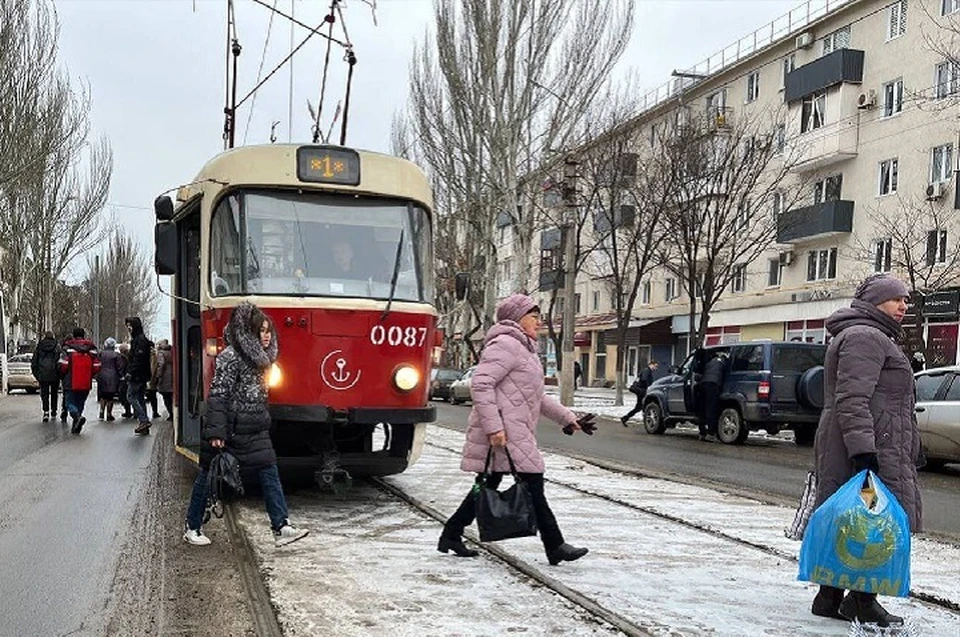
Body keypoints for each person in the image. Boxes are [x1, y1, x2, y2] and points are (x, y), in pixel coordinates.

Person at [437, 293, 596, 565]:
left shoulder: (525, 350)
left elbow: (537, 397)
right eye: (533, 316)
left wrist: (569, 419)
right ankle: (555, 545)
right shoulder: (505, 345)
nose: (538, 322)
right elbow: (481, 385)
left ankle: (451, 534)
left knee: (488, 485)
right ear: (517, 319)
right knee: (533, 483)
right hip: (503, 433)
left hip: (514, 432)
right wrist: (494, 429)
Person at [809, 274, 920, 627]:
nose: (904, 306)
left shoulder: (868, 335)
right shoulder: (865, 337)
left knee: (852, 518)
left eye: (905, 300)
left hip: (863, 442)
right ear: (875, 303)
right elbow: (853, 398)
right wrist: (863, 451)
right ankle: (863, 601)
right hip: (864, 447)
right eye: (896, 299)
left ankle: (829, 597)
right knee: (869, 521)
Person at [183, 301, 309, 547]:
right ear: (249, 332)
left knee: (269, 472)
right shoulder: (231, 356)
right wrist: (217, 432)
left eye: (268, 330)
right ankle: (192, 525)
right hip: (229, 430)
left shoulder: (260, 359)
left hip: (254, 429)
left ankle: (281, 526)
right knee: (208, 477)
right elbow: (218, 393)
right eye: (261, 330)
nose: (266, 335)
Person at [58, 327, 101, 435]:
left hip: (70, 380)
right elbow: (97, 365)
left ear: (73, 334)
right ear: (83, 335)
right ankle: (76, 424)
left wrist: (62, 374)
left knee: (69, 403)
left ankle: (77, 417)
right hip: (85, 381)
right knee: (80, 402)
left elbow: (63, 365)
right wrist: (90, 374)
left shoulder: (68, 348)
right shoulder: (91, 348)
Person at [124, 316, 154, 434]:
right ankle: (144, 425)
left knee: (130, 396)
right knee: (140, 398)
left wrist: (130, 372)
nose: (128, 328)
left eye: (130, 326)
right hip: (141, 374)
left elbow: (138, 359)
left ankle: (143, 420)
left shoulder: (139, 340)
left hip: (137, 375)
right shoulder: (140, 339)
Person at [31, 331, 61, 422]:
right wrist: (60, 373)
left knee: (44, 394)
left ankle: (46, 412)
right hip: (55, 374)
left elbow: (34, 361)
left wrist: (37, 374)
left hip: (43, 374)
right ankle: (54, 410)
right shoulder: (57, 346)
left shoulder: (39, 346)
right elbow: (60, 361)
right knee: (54, 393)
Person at [698, 351, 727, 441]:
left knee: (702, 409)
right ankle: (711, 433)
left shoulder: (709, 363)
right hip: (713, 385)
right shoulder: (723, 362)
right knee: (711, 409)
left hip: (703, 384)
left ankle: (702, 432)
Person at [621, 360, 659, 427]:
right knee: (643, 406)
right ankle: (646, 420)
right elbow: (644, 379)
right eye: (655, 366)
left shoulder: (646, 370)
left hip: (640, 390)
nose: (655, 368)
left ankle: (625, 418)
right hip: (641, 391)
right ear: (651, 365)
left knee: (639, 407)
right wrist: (649, 387)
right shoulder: (647, 371)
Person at [97, 337, 124, 421]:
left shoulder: (101, 354)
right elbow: (120, 367)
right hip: (113, 377)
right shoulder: (116, 355)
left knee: (102, 395)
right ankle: (109, 414)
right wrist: (121, 376)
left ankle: (101, 412)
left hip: (102, 376)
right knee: (110, 397)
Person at [154, 339, 174, 420]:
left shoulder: (161, 353)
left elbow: (161, 364)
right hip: (172, 374)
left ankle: (171, 413)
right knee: (171, 395)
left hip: (165, 376)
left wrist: (158, 375)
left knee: (166, 396)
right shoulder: (171, 351)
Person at [145, 343, 161, 420]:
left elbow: (153, 368)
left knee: (151, 396)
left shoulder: (151, 356)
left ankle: (154, 412)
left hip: (149, 379)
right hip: (150, 379)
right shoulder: (154, 356)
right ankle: (155, 412)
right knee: (152, 396)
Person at [116, 343, 132, 418]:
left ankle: (128, 411)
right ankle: (130, 411)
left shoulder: (122, 357)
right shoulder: (130, 356)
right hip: (129, 377)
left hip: (125, 378)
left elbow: (121, 367)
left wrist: (121, 375)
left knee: (124, 395)